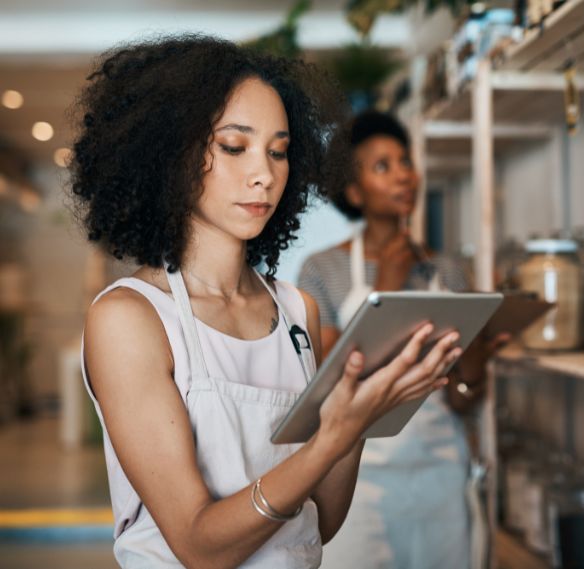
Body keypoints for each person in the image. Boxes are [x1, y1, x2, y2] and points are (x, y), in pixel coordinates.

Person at [70, 36, 463, 569]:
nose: (265, 173)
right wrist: (335, 436)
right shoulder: (131, 318)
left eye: (278, 151)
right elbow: (200, 546)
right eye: (235, 146)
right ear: (170, 156)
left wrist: (359, 421)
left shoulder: (298, 311)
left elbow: (319, 523)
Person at [298, 110, 508, 569]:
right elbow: (330, 382)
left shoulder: (448, 270)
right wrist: (387, 288)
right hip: (356, 476)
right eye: (382, 166)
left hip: (439, 471)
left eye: (405, 162)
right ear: (354, 192)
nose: (403, 175)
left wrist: (476, 354)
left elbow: (463, 397)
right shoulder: (321, 271)